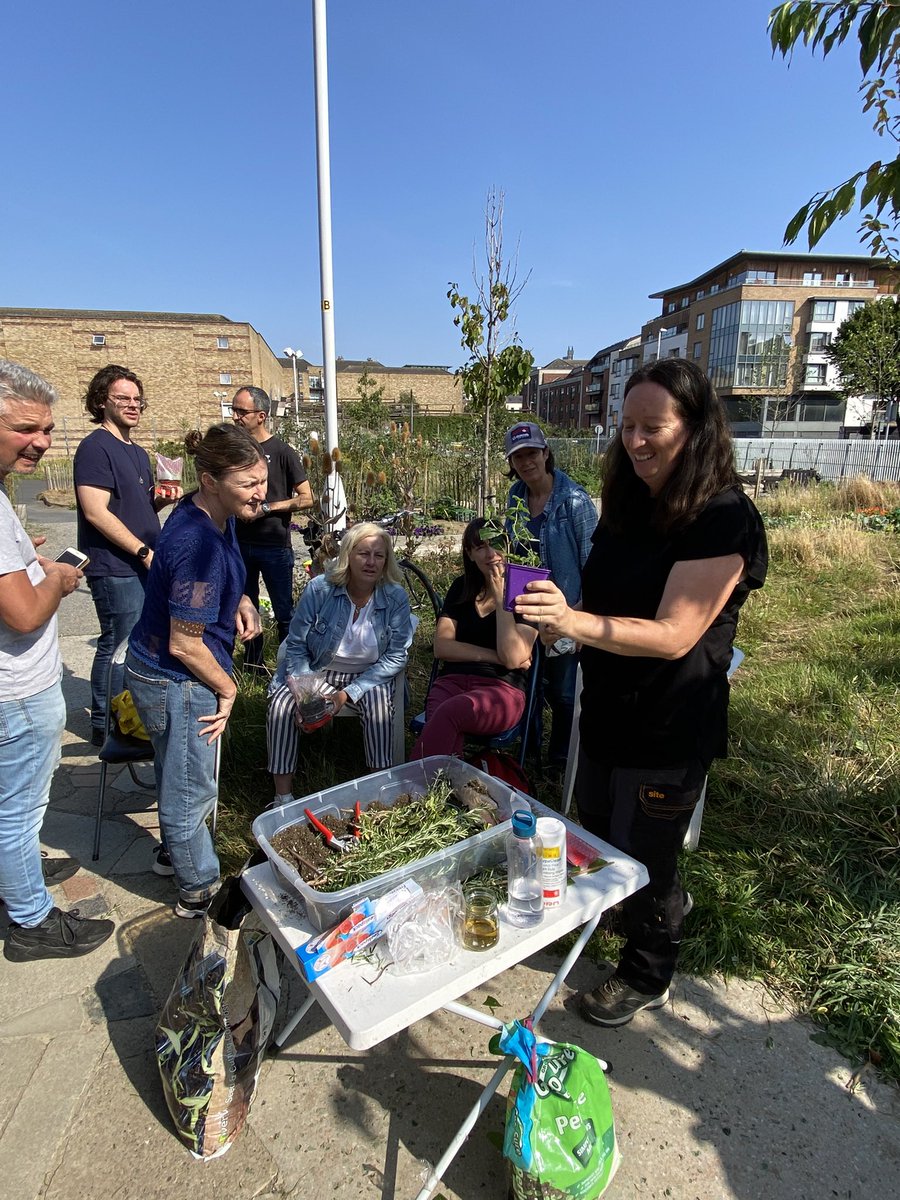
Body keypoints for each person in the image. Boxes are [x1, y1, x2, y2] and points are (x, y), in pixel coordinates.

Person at [514, 359, 767, 1027]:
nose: (635, 441)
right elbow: (601, 602)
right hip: (607, 711)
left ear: (697, 430)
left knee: (649, 857)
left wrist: (574, 622)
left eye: (653, 427)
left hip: (669, 724)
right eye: (626, 426)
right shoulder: (627, 503)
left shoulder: (722, 517)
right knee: (597, 834)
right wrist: (556, 624)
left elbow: (674, 634)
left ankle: (647, 972)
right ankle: (609, 921)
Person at [0, 359, 115, 961]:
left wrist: (26, 561)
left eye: (46, 429)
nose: (41, 442)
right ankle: (30, 921)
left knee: (7, 805)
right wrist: (60, 580)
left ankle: (12, 880)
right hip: (16, 691)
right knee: (19, 810)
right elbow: (21, 615)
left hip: (12, 691)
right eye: (25, 428)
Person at [125, 424, 265, 917]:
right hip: (178, 680)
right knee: (191, 790)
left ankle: (173, 856)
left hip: (158, 670)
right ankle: (198, 891)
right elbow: (185, 643)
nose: (261, 493)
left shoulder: (212, 515)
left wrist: (242, 598)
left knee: (175, 774)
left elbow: (205, 587)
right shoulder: (196, 543)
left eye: (263, 480)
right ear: (210, 479)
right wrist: (228, 689)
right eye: (249, 484)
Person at [267, 522, 412, 805]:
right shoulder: (320, 590)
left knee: (380, 706)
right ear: (348, 554)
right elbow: (295, 644)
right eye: (363, 553)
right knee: (281, 705)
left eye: (378, 555)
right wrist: (308, 694)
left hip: (369, 674)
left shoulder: (395, 597)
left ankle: (378, 793)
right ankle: (282, 796)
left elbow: (396, 656)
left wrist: (347, 693)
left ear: (386, 560)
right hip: (315, 669)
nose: (371, 562)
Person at [74, 365, 180, 746]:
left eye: (137, 399)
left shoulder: (136, 451)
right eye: (123, 398)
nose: (133, 405)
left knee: (136, 641)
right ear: (102, 401)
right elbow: (95, 511)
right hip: (117, 565)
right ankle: (106, 725)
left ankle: (127, 716)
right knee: (117, 644)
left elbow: (133, 506)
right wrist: (142, 550)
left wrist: (160, 500)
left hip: (143, 559)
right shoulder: (94, 448)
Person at [504, 421, 597, 774]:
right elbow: (512, 552)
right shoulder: (516, 497)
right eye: (518, 457)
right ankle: (528, 751)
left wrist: (579, 618)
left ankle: (559, 758)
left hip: (565, 610)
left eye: (531, 453)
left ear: (545, 453)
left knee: (561, 690)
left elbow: (593, 563)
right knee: (527, 682)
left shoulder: (574, 502)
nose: (526, 462)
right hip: (526, 607)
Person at [411, 517, 537, 760]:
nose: (491, 554)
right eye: (480, 547)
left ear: (508, 545)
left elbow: (513, 658)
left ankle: (411, 788)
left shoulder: (525, 591)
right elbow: (442, 646)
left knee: (448, 714)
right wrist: (496, 656)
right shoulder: (461, 587)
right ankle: (453, 790)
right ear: (469, 554)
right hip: (451, 682)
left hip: (501, 689)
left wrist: (501, 596)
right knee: (447, 728)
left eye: (496, 543)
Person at [231, 386, 313, 672]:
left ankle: (288, 667)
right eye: (234, 410)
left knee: (283, 612)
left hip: (274, 545)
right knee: (245, 607)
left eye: (242, 412)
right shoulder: (236, 450)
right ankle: (253, 666)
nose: (236, 417)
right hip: (238, 544)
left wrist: (268, 508)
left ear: (261, 416)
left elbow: (307, 497)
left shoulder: (281, 452)